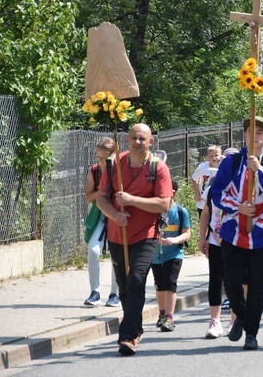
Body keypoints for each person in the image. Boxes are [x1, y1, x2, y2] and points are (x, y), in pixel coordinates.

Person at [209, 116, 263, 351]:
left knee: (256, 285)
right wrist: (237, 207)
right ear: (244, 136)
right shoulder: (231, 162)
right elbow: (217, 193)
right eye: (251, 132)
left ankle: (251, 332)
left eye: (260, 132)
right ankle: (240, 317)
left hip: (262, 231)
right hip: (233, 230)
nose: (255, 136)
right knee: (231, 281)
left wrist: (259, 170)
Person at [96, 123, 174, 356]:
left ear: (151, 142)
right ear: (127, 140)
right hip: (117, 235)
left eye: (143, 138)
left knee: (137, 280)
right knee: (124, 286)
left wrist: (130, 200)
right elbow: (100, 198)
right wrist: (115, 214)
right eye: (134, 138)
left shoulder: (158, 168)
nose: (138, 142)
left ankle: (127, 337)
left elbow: (164, 203)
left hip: (146, 235)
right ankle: (136, 328)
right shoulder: (113, 165)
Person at [198, 147, 238, 340]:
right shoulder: (213, 187)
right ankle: (215, 321)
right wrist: (202, 237)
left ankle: (234, 319)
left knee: (234, 280)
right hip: (215, 238)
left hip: (236, 239)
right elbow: (206, 214)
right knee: (216, 279)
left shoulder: (242, 187)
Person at [83, 137, 120, 307]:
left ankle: (115, 293)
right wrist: (101, 192)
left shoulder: (121, 171)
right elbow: (89, 197)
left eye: (104, 158)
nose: (101, 162)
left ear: (114, 156)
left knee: (116, 254)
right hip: (100, 214)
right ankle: (94, 292)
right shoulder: (95, 171)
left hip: (117, 215)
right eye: (98, 158)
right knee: (93, 250)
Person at [152, 179, 191, 332]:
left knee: (170, 283)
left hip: (174, 253)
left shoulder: (181, 212)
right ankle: (161, 314)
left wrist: (175, 239)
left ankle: (169, 318)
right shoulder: (153, 212)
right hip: (155, 255)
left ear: (173, 193)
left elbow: (187, 233)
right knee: (159, 286)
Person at [191, 145, 221, 217]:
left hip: (218, 202)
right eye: (211, 156)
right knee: (204, 224)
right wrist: (197, 193)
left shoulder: (223, 167)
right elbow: (194, 179)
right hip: (203, 202)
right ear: (207, 157)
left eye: (216, 155)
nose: (214, 158)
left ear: (220, 155)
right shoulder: (202, 167)